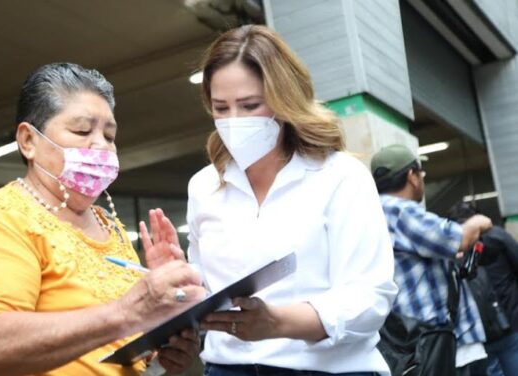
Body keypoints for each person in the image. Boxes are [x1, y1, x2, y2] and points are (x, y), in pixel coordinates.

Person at [0, 63, 207, 376]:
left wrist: (162, 340)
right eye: (82, 131)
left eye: (109, 134)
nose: (101, 145)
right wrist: (128, 312)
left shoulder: (110, 226)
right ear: (28, 141)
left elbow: (117, 351)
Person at [186, 25, 398, 375]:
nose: (233, 121)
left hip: (329, 369)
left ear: (285, 101)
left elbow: (370, 297)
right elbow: (206, 292)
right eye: (221, 108)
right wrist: (178, 283)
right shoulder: (204, 187)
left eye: (250, 105)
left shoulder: (340, 176)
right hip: (228, 368)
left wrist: (278, 323)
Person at [370, 144, 493, 375]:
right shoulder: (399, 210)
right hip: (440, 343)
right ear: (412, 177)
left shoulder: (373, 212)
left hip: (414, 344)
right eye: (421, 174)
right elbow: (460, 237)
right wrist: (478, 222)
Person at [449, 202, 518, 376]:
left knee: (493, 369)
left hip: (478, 329)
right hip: (510, 318)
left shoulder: (452, 246)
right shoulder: (497, 236)